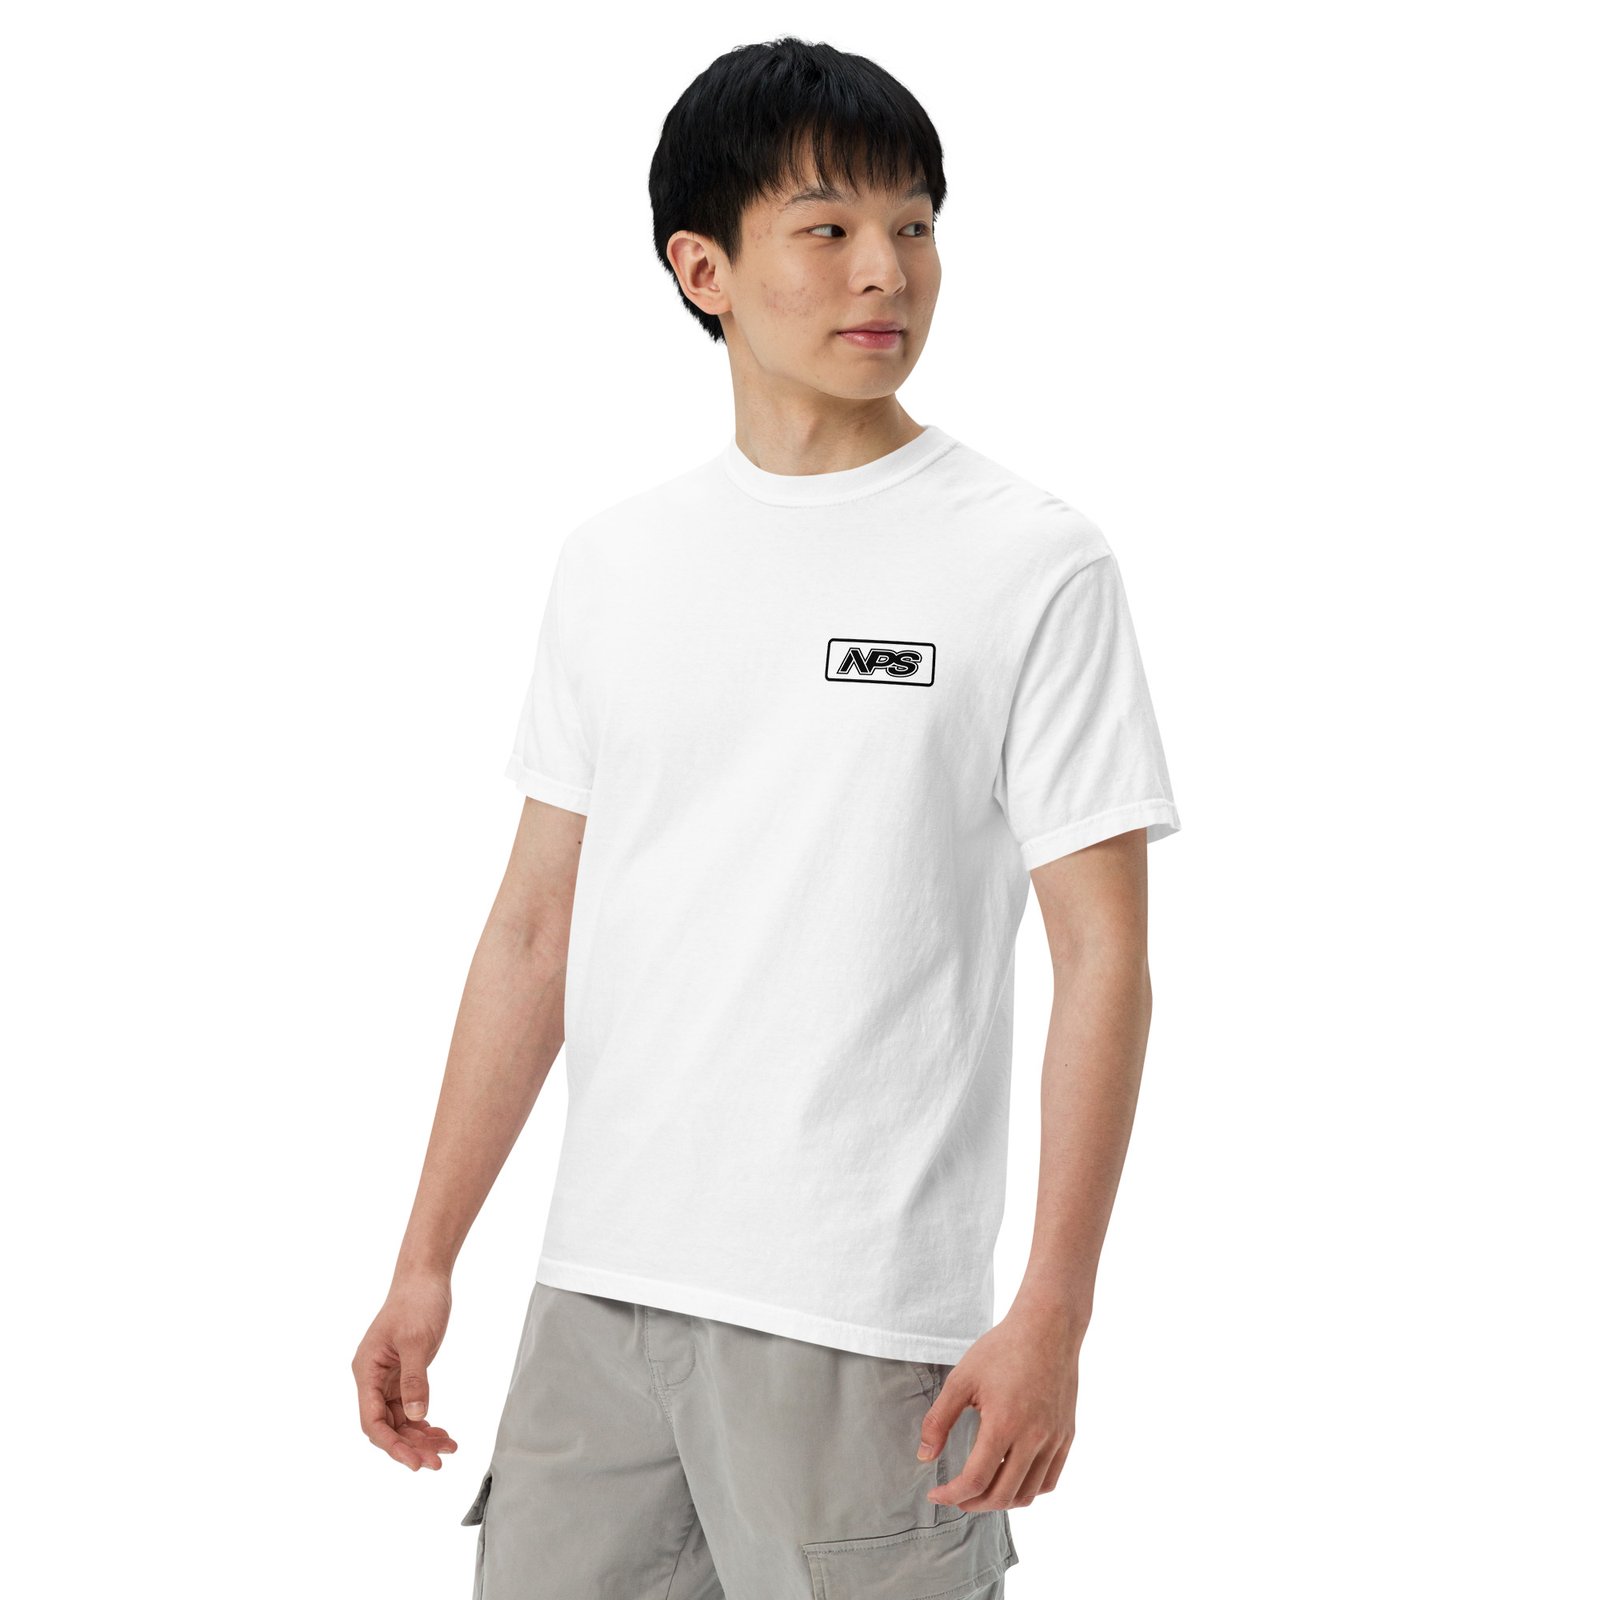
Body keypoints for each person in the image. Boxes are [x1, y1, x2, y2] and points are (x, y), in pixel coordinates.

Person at [352, 35, 1181, 1599]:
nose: (888, 270)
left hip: (860, 1325)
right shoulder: (616, 564)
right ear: (704, 268)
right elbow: (535, 930)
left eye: (916, 224)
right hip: (597, 1302)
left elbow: (1106, 962)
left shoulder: (1029, 562)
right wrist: (426, 1259)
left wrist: (1054, 1309)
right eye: (829, 227)